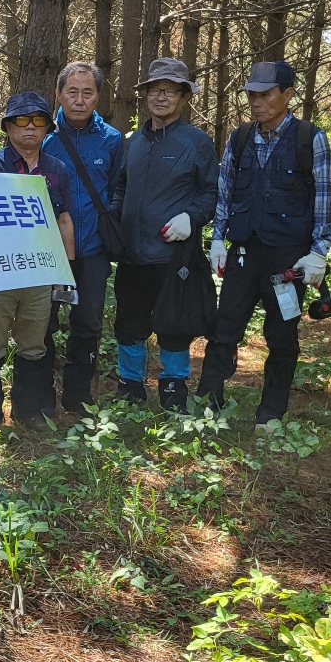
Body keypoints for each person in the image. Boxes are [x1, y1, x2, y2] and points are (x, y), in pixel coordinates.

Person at [197, 60, 331, 424]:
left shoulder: (310, 139)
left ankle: (271, 414)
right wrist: (217, 239)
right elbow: (225, 191)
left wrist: (318, 253)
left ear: (287, 94)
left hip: (289, 263)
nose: (257, 102)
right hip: (243, 253)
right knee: (224, 327)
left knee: (282, 335)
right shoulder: (240, 138)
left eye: (266, 94)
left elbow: (325, 197)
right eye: (252, 94)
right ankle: (207, 406)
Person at [109, 58, 218, 413]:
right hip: (132, 254)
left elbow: (212, 194)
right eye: (155, 90)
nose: (161, 97)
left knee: (174, 324)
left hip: (174, 256)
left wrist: (191, 216)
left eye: (170, 91)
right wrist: (114, 217)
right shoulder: (134, 141)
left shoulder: (196, 142)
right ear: (145, 95)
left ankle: (173, 389)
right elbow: (122, 186)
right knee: (129, 323)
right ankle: (130, 386)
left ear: (183, 97)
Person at [0, 92, 75, 428]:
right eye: (21, 120)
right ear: (7, 127)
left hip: (39, 271)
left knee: (33, 344)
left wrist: (66, 270)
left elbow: (63, 219)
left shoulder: (56, 169)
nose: (30, 127)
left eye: (38, 120)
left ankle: (28, 410)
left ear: (48, 127)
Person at [42, 62, 125, 412]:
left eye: (87, 92)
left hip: (92, 250)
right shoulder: (42, 138)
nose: (79, 100)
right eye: (72, 92)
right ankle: (40, 399)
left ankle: (77, 398)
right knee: (41, 325)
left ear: (98, 97)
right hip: (47, 251)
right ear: (59, 94)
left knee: (87, 323)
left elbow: (121, 189)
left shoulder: (112, 140)